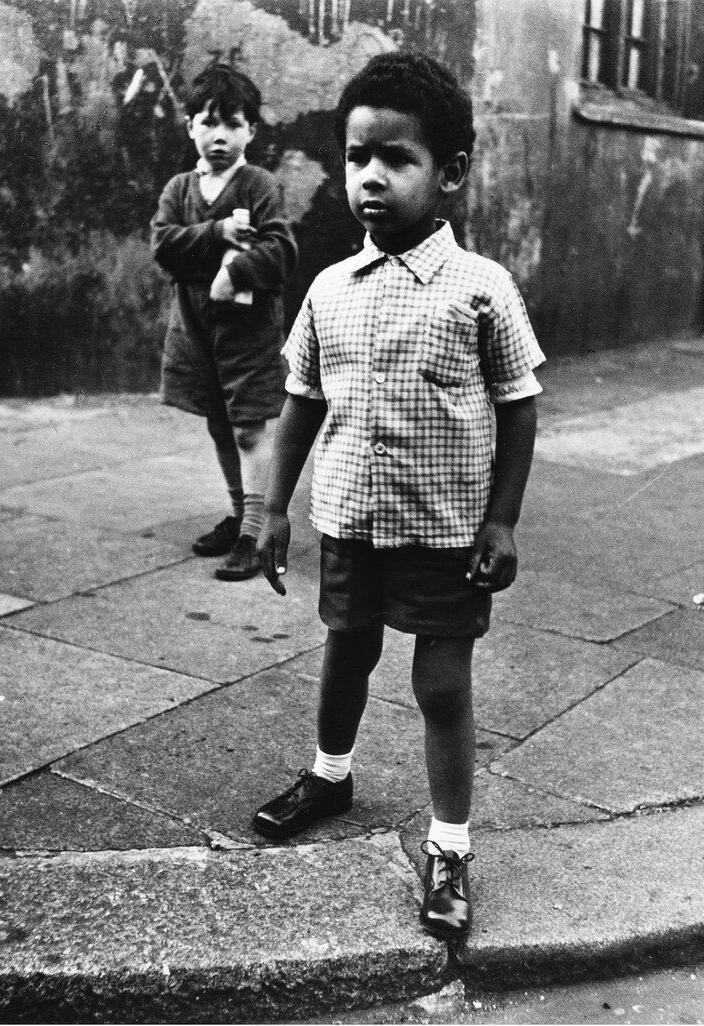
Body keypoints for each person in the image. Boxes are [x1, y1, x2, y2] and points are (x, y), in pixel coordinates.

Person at [254, 52, 545, 939]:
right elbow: (301, 401)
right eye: (355, 157)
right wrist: (271, 508)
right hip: (349, 516)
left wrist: (501, 519)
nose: (370, 176)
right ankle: (330, 774)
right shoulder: (328, 290)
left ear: (450, 173)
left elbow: (520, 404)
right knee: (346, 648)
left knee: (441, 683)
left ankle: (449, 845)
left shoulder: (481, 287)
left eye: (397, 158)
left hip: (446, 531)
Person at [151, 61, 298, 580]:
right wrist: (214, 236)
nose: (220, 136)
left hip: (247, 331)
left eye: (233, 124)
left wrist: (235, 270)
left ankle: (255, 533)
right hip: (195, 330)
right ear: (190, 126)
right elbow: (164, 247)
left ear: (251, 132)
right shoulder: (180, 189)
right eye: (208, 123)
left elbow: (280, 251)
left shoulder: (258, 185)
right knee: (219, 423)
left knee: (249, 429)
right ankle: (241, 514)